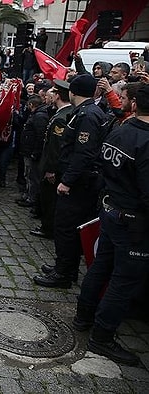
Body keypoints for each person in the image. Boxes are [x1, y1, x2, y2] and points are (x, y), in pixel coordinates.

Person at [71, 84, 149, 366]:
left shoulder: (120, 130)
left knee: (102, 266)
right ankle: (102, 336)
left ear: (135, 106)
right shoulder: (143, 140)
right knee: (123, 280)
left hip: (112, 211)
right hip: (132, 220)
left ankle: (83, 317)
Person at [33, 74, 105, 288]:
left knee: (66, 228)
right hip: (78, 181)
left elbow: (83, 154)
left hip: (78, 184)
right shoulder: (84, 112)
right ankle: (65, 266)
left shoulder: (87, 116)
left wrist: (68, 181)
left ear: (73, 92)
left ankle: (63, 273)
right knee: (68, 228)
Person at [31, 80, 74, 240]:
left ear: (57, 96)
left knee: (49, 200)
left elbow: (56, 147)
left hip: (53, 167)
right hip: (53, 164)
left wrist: (51, 169)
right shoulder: (62, 113)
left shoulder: (62, 117)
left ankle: (47, 228)